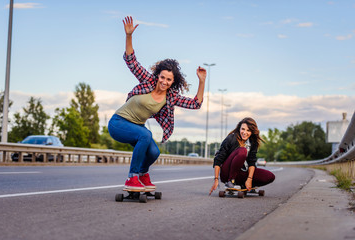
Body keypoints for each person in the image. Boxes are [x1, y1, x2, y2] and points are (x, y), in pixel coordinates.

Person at [108, 16, 206, 191]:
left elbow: (195, 104)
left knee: (154, 152)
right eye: (162, 77)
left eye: (169, 80)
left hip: (137, 127)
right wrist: (129, 36)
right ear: (158, 75)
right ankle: (132, 178)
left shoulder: (171, 97)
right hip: (118, 123)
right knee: (145, 136)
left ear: (173, 82)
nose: (164, 82)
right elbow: (131, 61)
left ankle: (143, 174)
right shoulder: (148, 81)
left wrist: (202, 81)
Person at [209, 117, 275, 195]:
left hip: (242, 172)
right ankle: (231, 181)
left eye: (248, 130)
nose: (244, 132)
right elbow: (218, 159)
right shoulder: (231, 138)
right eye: (243, 129)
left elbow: (252, 162)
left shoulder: (253, 142)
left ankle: (244, 185)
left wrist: (249, 179)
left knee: (270, 176)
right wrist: (216, 179)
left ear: (252, 132)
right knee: (242, 150)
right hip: (227, 172)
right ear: (239, 128)